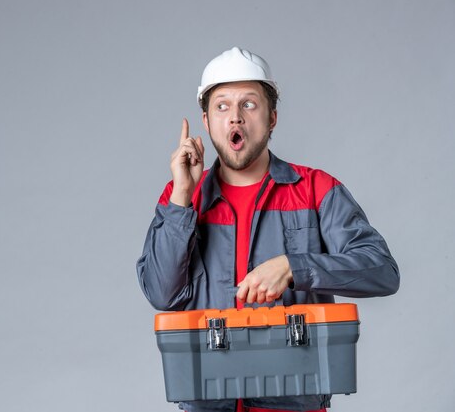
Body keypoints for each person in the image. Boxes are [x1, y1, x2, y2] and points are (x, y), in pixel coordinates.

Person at [136, 47, 400, 412]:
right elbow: (161, 293)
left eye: (249, 105)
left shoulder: (315, 189)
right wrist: (183, 195)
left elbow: (382, 271)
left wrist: (295, 267)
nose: (235, 119)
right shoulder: (182, 197)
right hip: (208, 404)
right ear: (207, 121)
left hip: (294, 404)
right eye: (222, 106)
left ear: (272, 117)